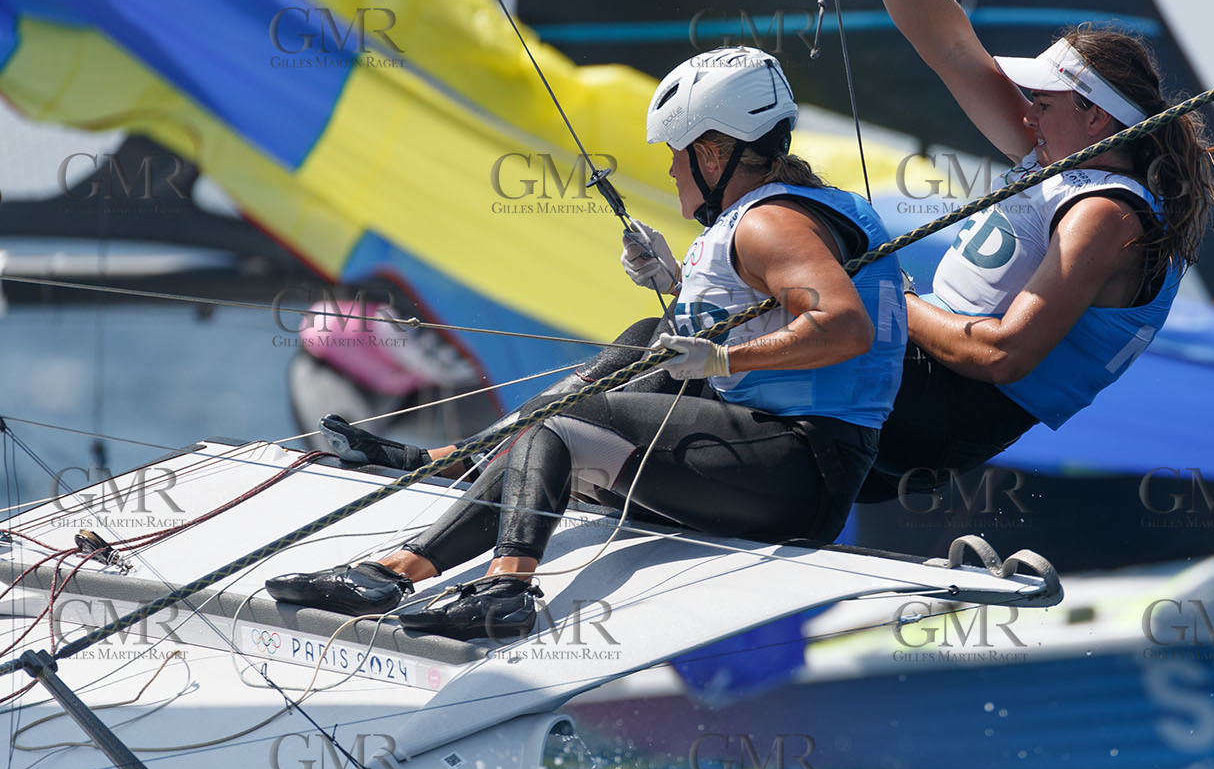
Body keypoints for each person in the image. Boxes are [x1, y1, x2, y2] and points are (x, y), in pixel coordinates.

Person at [267, 46, 907, 639]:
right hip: (781, 456)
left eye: (677, 153)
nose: (670, 168)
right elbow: (766, 313)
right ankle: (459, 462)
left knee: (565, 428)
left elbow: (844, 326)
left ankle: (491, 588)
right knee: (646, 339)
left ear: (713, 154)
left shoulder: (771, 224)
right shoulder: (793, 207)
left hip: (801, 470)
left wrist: (721, 357)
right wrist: (679, 283)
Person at [800, 0, 1214, 502]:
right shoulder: (1059, 155)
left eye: (1043, 102)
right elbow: (950, 45)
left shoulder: (1106, 216)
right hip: (917, 384)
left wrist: (885, 298)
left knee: (782, 280)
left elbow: (1004, 356)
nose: (1027, 114)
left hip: (939, 413)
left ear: (1095, 116)